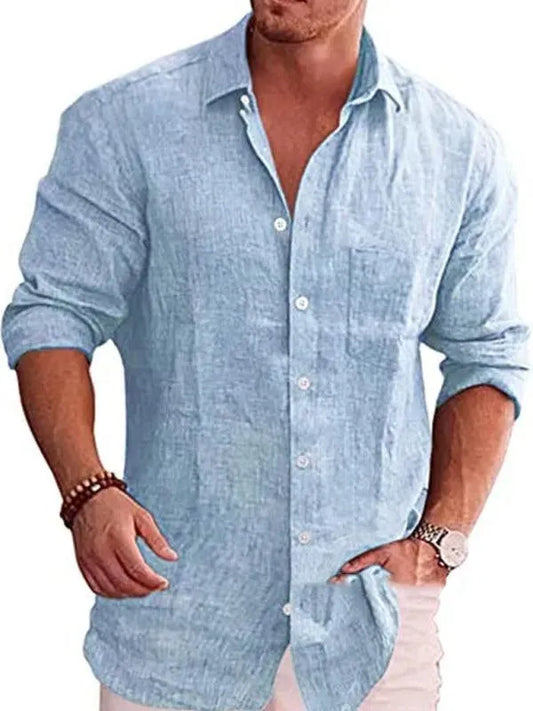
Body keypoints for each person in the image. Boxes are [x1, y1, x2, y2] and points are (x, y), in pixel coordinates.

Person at [1, 2, 529, 710]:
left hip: (372, 636)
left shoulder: (458, 151)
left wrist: (441, 539)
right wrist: (86, 489)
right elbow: (55, 311)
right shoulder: (123, 124)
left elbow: (487, 352)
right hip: (176, 623)